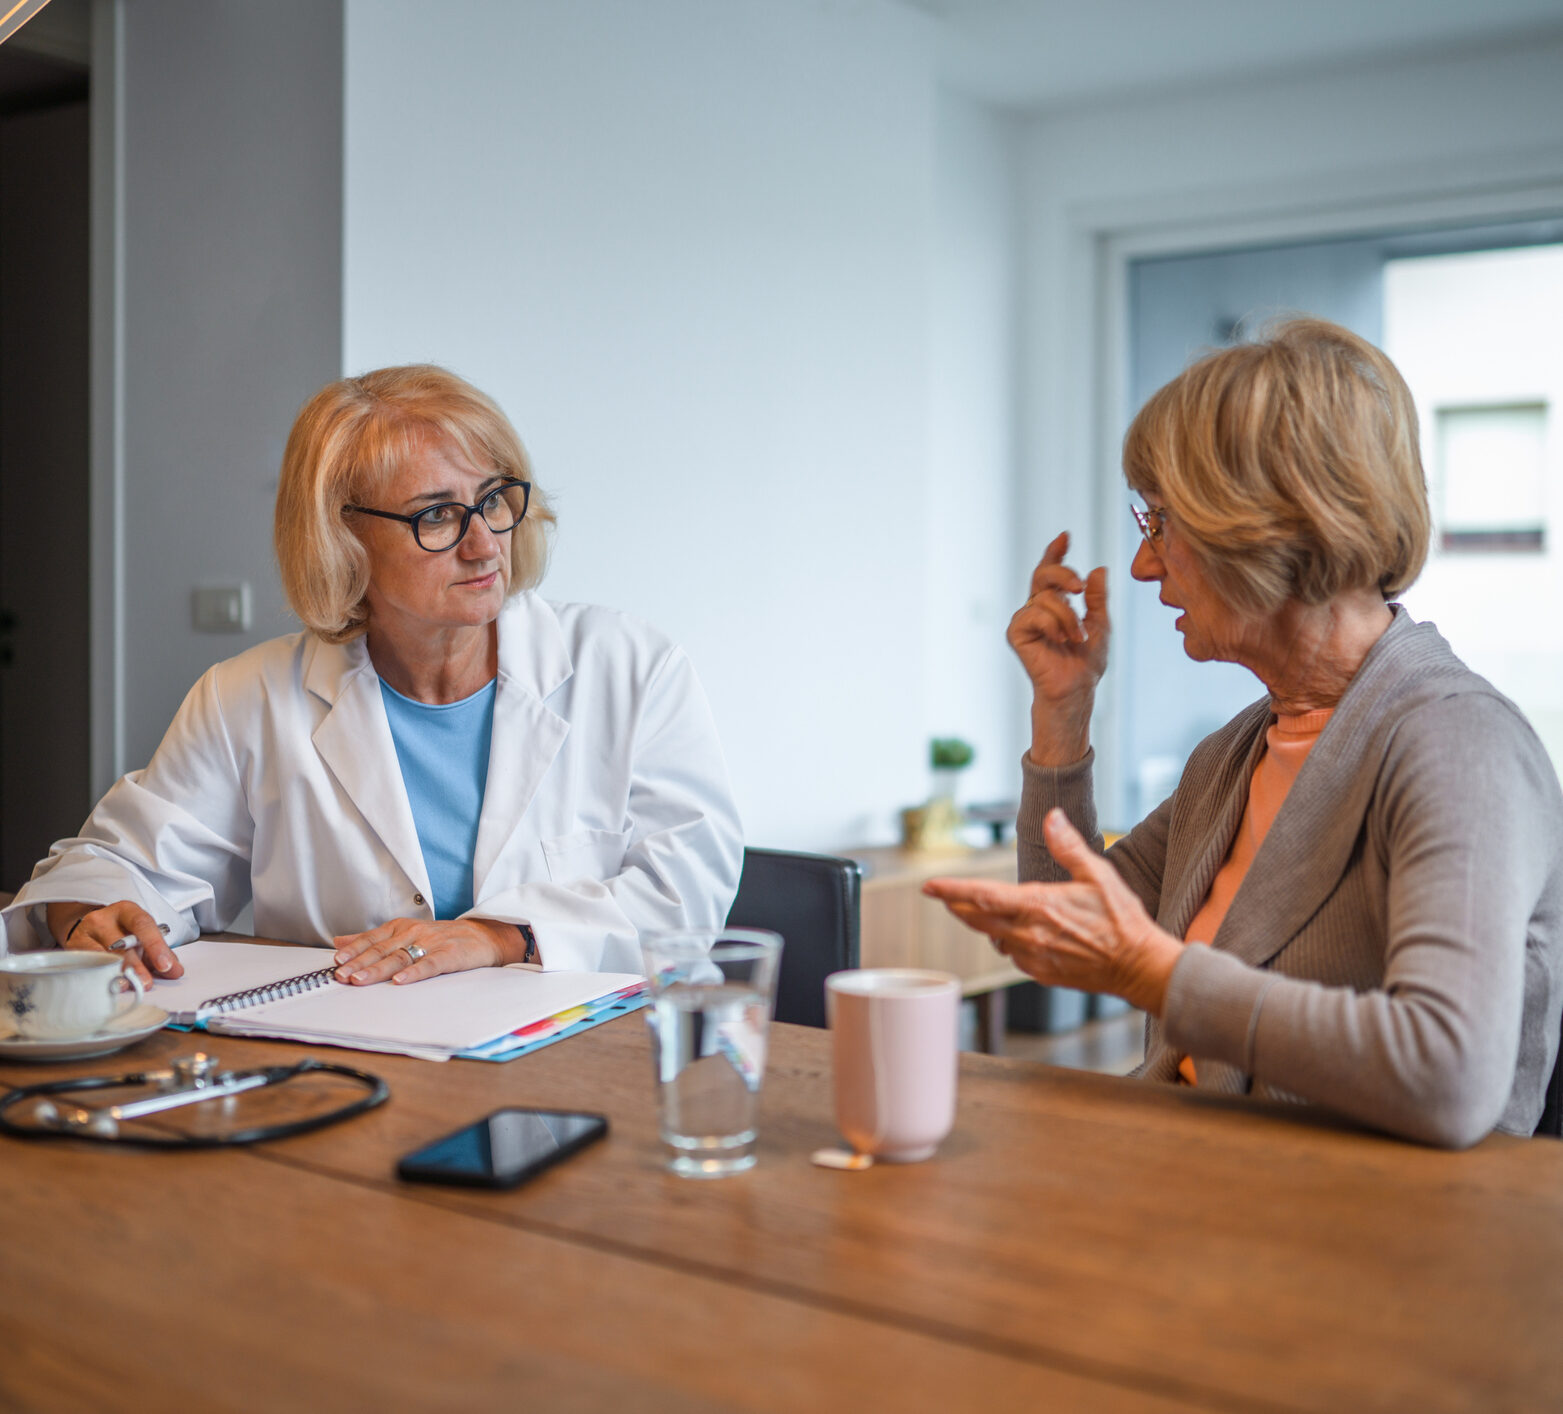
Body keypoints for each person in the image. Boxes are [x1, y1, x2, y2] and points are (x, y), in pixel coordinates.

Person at [924, 318, 1563, 1148]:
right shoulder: (1234, 753)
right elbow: (1064, 926)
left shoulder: (1457, 742)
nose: (1144, 565)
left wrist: (1159, 977)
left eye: (1161, 524)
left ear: (1267, 522)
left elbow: (1448, 1077)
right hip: (1195, 1173)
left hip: (1356, 1235)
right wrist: (1062, 716)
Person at [2, 365, 743, 987]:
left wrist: (505, 936)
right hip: (364, 1065)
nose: (485, 545)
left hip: (604, 1058)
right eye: (437, 516)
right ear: (341, 538)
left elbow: (687, 891)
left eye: (493, 500)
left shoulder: (629, 665)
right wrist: (90, 913)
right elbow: (120, 864)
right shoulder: (248, 696)